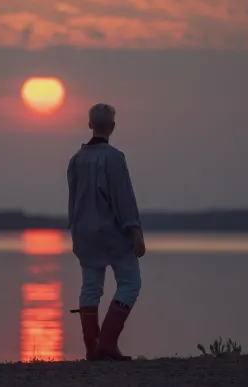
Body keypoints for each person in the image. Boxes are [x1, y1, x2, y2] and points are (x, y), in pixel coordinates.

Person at [67, 103, 145, 361]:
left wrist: (75, 232)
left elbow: (73, 201)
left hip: (84, 234)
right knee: (130, 283)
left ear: (89, 124)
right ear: (112, 126)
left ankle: (93, 347)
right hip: (112, 234)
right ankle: (107, 344)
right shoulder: (114, 158)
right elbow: (123, 197)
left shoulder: (76, 160)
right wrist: (134, 229)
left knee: (90, 288)